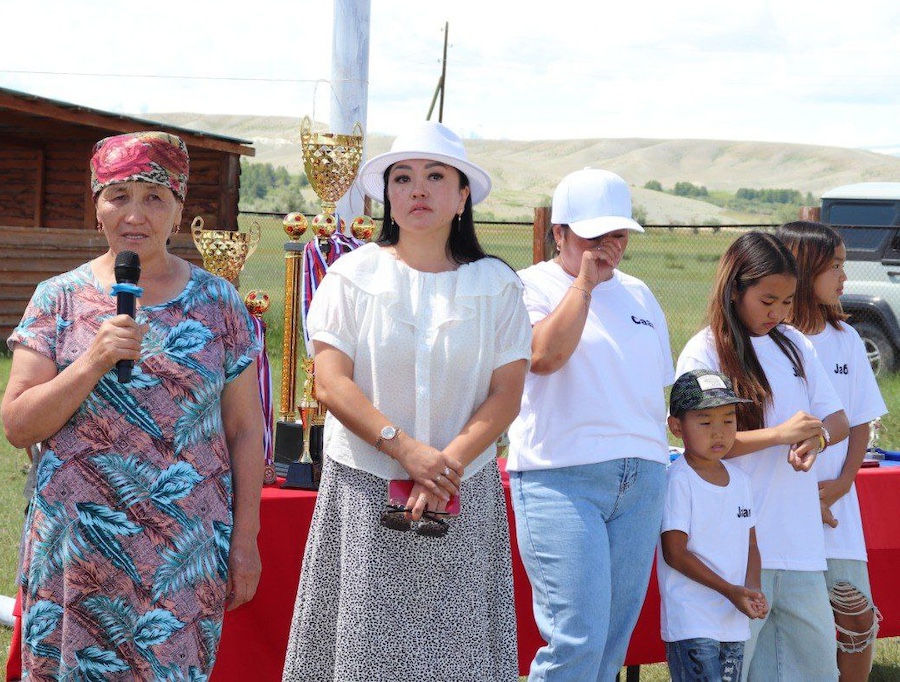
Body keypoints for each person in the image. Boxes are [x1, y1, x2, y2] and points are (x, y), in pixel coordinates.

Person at [1, 131, 264, 679]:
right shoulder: (59, 297)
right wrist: (92, 362)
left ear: (179, 209)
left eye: (154, 197)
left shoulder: (220, 303)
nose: (135, 214)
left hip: (183, 552)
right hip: (78, 549)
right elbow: (19, 425)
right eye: (118, 195)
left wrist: (245, 542)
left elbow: (244, 430)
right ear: (97, 206)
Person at [281, 121, 531, 681]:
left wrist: (443, 466)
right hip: (365, 488)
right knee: (362, 656)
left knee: (455, 657)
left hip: (460, 493)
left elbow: (506, 394)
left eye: (436, 176)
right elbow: (330, 382)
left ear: (463, 194)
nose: (419, 189)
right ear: (387, 194)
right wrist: (406, 451)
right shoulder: (351, 275)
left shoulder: (497, 285)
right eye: (403, 177)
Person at [507, 168, 674, 680]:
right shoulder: (527, 285)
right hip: (561, 476)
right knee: (575, 641)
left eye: (618, 234)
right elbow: (545, 357)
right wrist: (584, 284)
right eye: (593, 235)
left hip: (643, 476)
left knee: (608, 645)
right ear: (559, 233)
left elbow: (655, 389)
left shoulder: (641, 293)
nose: (609, 246)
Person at [676, 231, 850, 681]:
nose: (778, 314)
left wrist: (817, 441)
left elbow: (838, 421)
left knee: (816, 672)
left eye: (788, 302)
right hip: (734, 552)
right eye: (767, 301)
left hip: (800, 546)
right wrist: (780, 435)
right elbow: (705, 445)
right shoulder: (706, 349)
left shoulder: (795, 344)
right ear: (736, 288)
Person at [777, 220, 887, 681]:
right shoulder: (770, 339)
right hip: (782, 505)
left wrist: (842, 483)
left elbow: (860, 420)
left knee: (857, 617)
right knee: (802, 626)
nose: (845, 277)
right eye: (836, 266)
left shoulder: (846, 339)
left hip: (838, 505)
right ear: (803, 269)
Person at [659, 369, 769, 682]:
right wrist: (729, 591)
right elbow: (675, 553)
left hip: (732, 619)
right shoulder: (678, 480)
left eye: (728, 420)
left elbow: (750, 545)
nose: (718, 432)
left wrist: (752, 589)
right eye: (706, 422)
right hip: (692, 621)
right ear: (676, 427)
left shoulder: (742, 482)